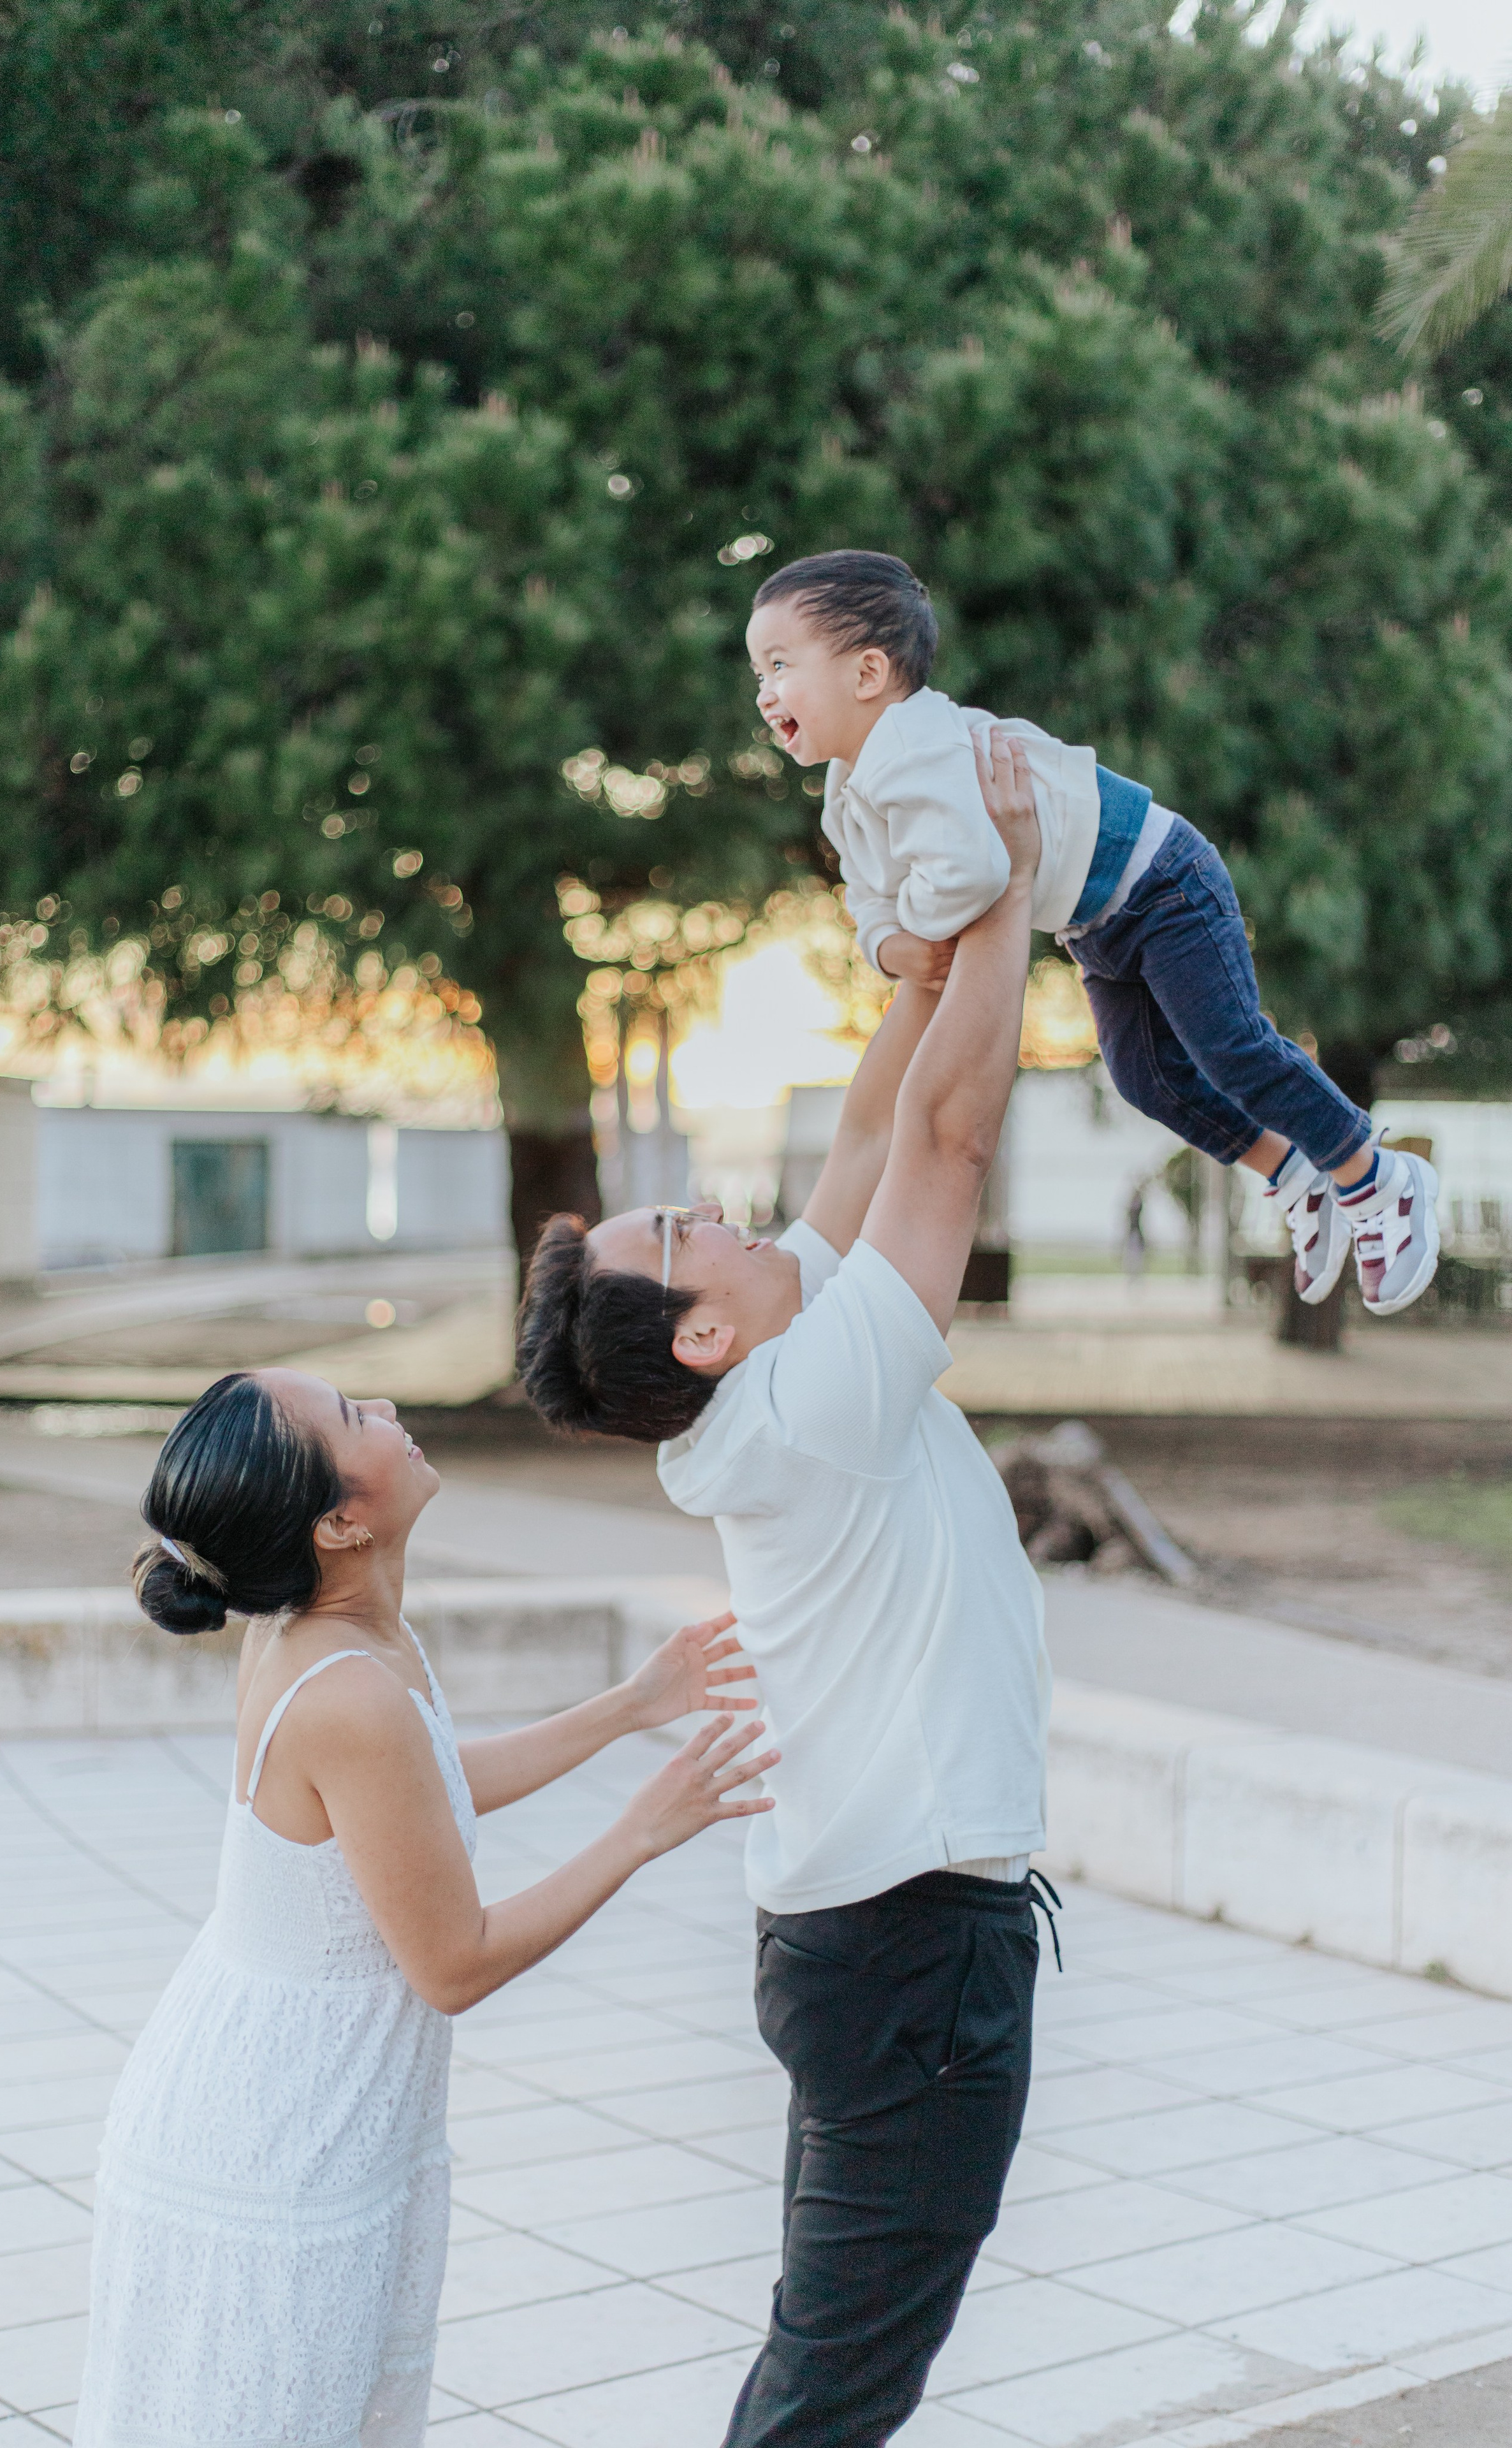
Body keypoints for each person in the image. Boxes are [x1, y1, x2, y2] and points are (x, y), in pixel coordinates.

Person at [516, 733, 1052, 2446]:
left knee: (830, 2361)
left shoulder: (773, 1374)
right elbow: (946, 1145)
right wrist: (1009, 896)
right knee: (837, 2382)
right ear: (696, 1328)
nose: (707, 1208)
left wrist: (920, 969)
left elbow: (870, 1133)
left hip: (872, 1945)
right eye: (680, 1233)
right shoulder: (809, 1401)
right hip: (908, 1950)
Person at [73, 1367, 774, 2448]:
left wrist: (631, 1707)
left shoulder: (344, 1632)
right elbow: (455, 1963)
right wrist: (644, 1827)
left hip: (293, 2099)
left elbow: (421, 1792)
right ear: (339, 1523)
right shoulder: (345, 1687)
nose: (392, 1413)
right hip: (276, 2140)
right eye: (357, 1419)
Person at [746, 547, 1439, 1321]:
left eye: (780, 666)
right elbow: (867, 895)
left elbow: (976, 873)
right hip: (1096, 924)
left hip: (1161, 880)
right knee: (1146, 1079)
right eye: (758, 674)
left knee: (1230, 1048)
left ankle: (1374, 1177)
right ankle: (1293, 1174)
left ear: (868, 673)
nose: (765, 692)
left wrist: (917, 924)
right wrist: (888, 945)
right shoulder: (848, 791)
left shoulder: (918, 750)